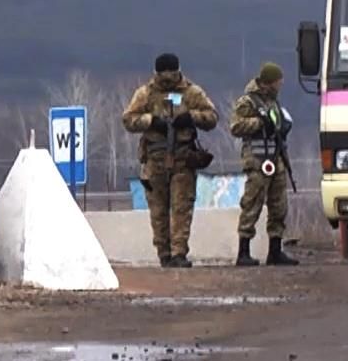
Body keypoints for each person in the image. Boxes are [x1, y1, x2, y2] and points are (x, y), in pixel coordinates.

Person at [121, 52, 220, 268]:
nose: (167, 77)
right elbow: (128, 119)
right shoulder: (146, 94)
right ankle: (165, 253)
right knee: (158, 209)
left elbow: (212, 117)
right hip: (155, 158)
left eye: (170, 73)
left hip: (183, 157)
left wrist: (191, 117)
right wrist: (150, 121)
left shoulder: (191, 93)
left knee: (181, 207)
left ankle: (178, 253)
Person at [229, 62, 299, 267]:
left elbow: (278, 125)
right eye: (278, 81)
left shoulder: (274, 103)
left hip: (276, 157)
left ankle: (275, 251)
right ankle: (243, 251)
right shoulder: (249, 101)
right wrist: (260, 123)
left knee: (279, 206)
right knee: (252, 204)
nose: (281, 84)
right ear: (270, 81)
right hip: (257, 159)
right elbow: (235, 126)